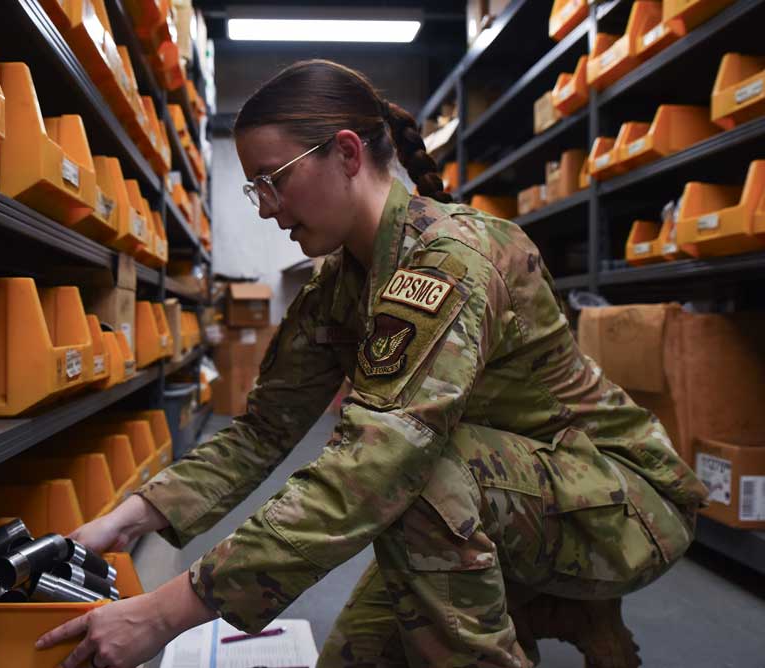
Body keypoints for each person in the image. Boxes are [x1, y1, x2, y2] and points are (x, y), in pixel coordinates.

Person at [35, 60, 708, 668]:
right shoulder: (342, 284)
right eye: (254, 191)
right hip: (500, 497)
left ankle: (532, 615)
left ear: (348, 154)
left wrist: (166, 611)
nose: (266, 208)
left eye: (273, 180)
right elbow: (265, 430)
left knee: (412, 478)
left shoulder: (452, 258)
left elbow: (376, 465)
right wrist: (136, 515)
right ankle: (539, 603)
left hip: (622, 502)